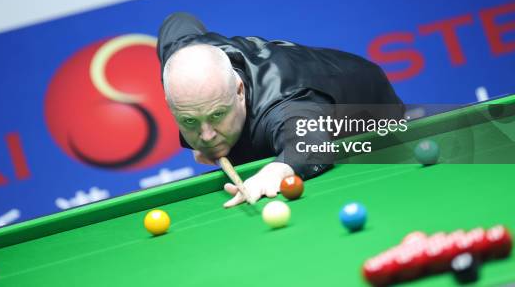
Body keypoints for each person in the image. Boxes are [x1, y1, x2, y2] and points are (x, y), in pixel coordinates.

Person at [157, 12, 404, 207]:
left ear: (239, 90)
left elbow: (309, 145)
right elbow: (178, 20)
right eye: (190, 121)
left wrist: (277, 170)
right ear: (169, 104)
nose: (207, 134)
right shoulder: (181, 55)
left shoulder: (284, 103)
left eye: (217, 115)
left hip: (368, 114)